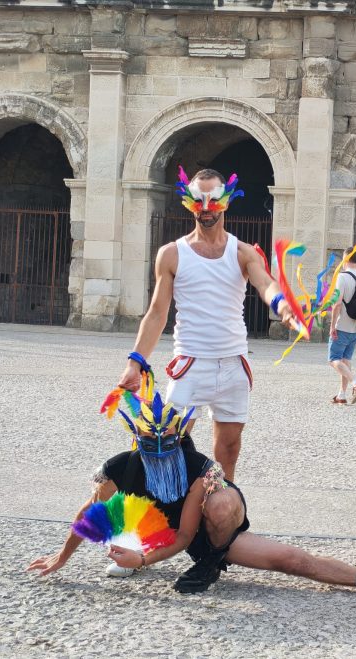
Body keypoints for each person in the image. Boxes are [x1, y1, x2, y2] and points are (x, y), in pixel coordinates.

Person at [27, 385, 356, 603]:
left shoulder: (200, 469)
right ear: (139, 442)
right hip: (153, 530)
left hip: (202, 536)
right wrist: (62, 558)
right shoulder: (119, 469)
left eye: (171, 444)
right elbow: (88, 514)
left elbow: (186, 537)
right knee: (110, 509)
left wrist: (144, 561)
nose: (163, 454)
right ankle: (138, 555)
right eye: (153, 446)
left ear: (181, 438)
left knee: (289, 557)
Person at [116, 168, 294, 483]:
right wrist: (135, 363)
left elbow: (265, 283)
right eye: (199, 201)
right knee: (164, 444)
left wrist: (282, 306)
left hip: (233, 364)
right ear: (189, 202)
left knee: (228, 449)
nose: (207, 209)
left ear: (225, 202)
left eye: (213, 201)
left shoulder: (242, 252)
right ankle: (168, 514)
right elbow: (157, 312)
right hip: (190, 363)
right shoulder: (172, 254)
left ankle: (222, 515)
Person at [327, 246, 356, 405]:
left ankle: (355, 382)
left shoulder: (342, 277)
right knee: (345, 360)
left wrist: (332, 326)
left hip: (342, 325)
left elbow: (337, 304)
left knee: (333, 359)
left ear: (345, 259)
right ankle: (341, 395)